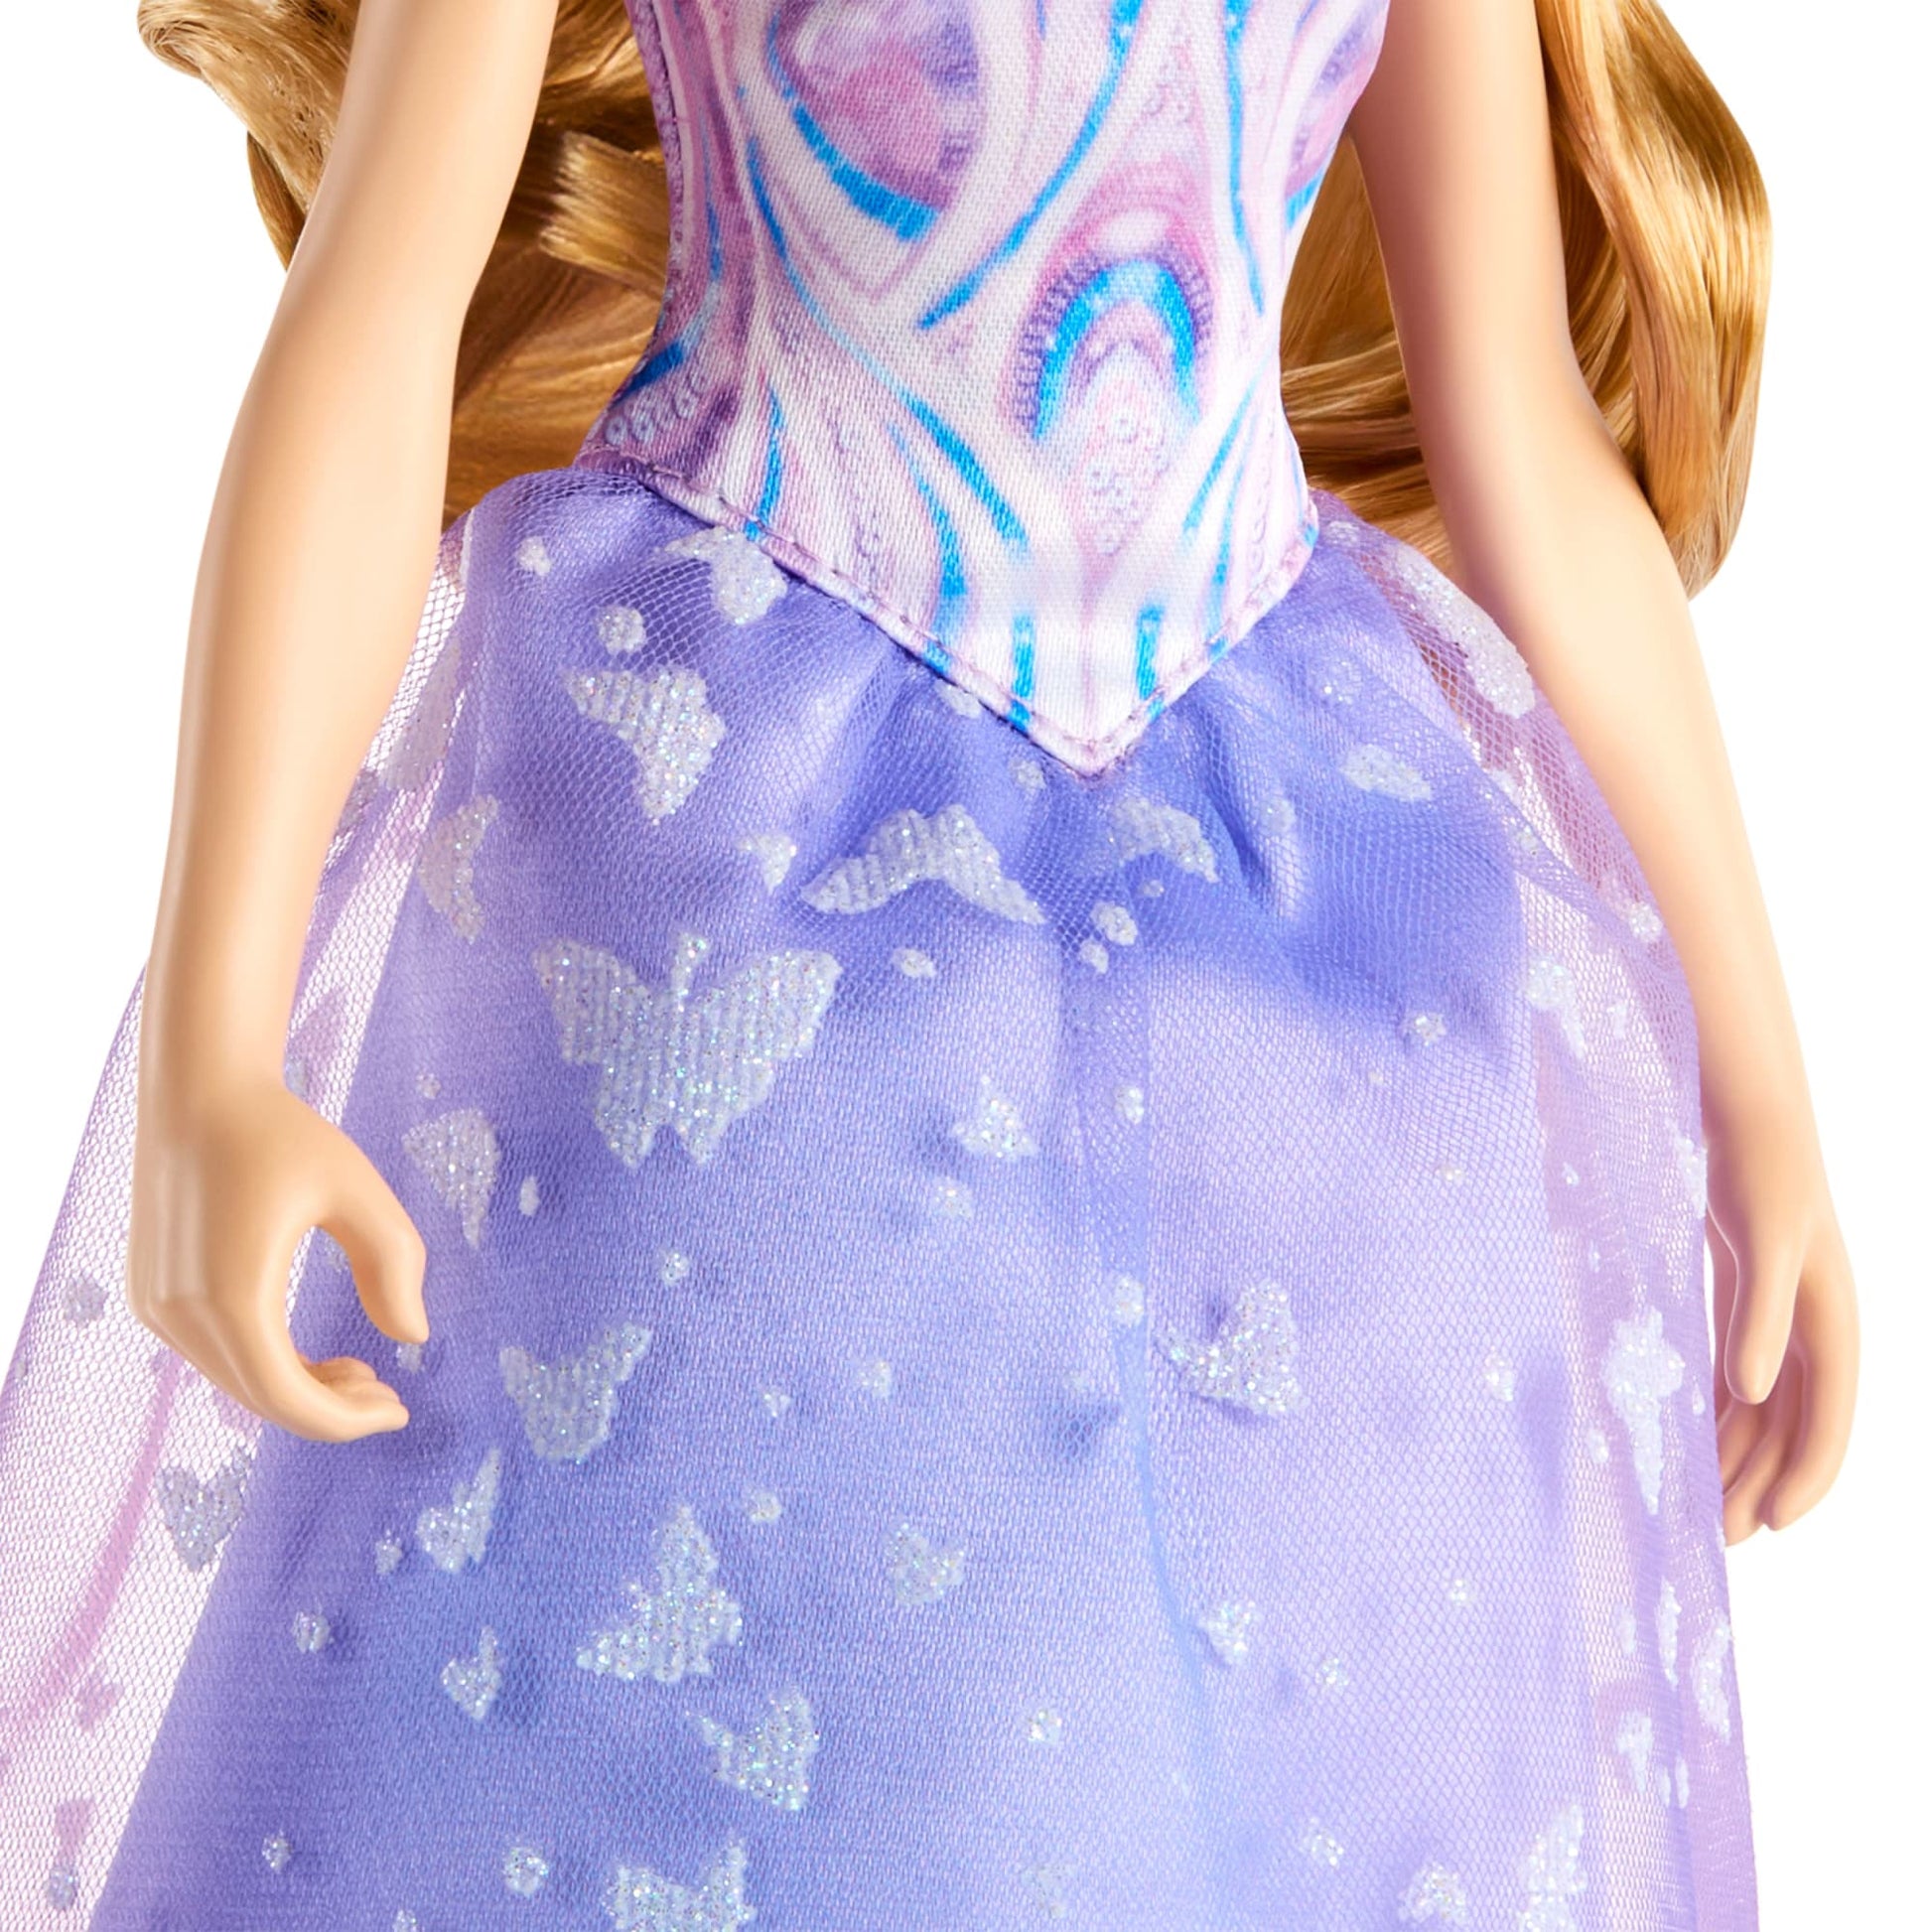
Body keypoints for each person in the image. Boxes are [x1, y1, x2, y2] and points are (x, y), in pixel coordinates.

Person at [0, 0, 1858, 1924]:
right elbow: (375, 306)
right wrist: (215, 1034)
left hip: (1289, 953)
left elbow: (1523, 430)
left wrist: (1752, 1074)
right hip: (738, 885)